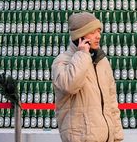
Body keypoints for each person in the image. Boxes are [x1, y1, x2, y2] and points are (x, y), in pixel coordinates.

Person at [52, 12, 124, 142]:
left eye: (99, 31)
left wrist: (117, 136)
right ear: (80, 36)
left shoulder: (102, 61)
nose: (98, 36)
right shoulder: (62, 61)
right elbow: (69, 86)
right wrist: (82, 55)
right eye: (92, 32)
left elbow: (112, 103)